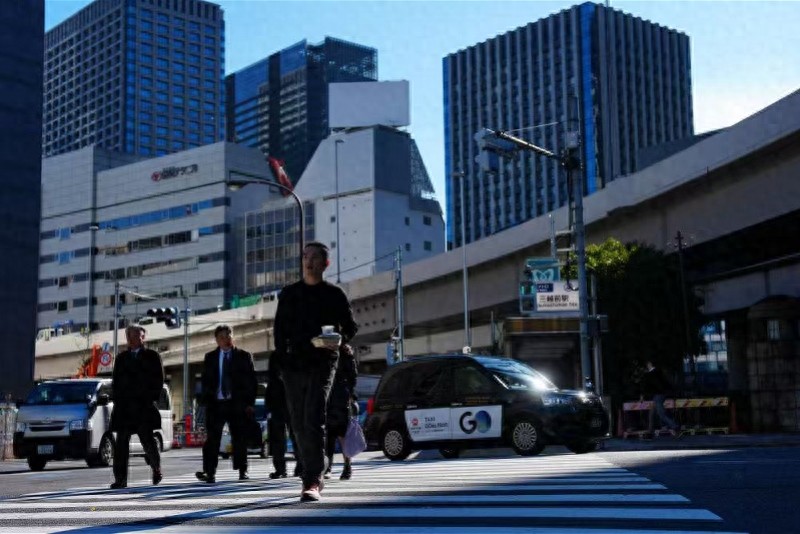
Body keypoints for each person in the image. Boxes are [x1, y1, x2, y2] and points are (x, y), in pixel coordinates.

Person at [274, 242, 358, 502]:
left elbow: (350, 327)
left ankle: (312, 479)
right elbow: (279, 333)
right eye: (305, 256)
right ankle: (315, 465)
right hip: (293, 365)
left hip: (323, 362)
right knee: (298, 422)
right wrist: (282, 363)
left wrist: (339, 340)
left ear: (325, 263)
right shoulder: (289, 294)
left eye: (314, 257)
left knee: (313, 416)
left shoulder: (334, 294)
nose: (308, 261)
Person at [195, 325, 257, 483]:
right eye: (222, 337)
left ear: (232, 337)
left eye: (228, 336)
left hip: (237, 403)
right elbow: (205, 381)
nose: (226, 339)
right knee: (212, 439)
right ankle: (210, 472)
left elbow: (252, 381)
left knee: (239, 438)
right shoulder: (210, 357)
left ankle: (242, 470)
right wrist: (206, 400)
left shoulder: (244, 356)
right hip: (216, 404)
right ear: (217, 340)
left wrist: (249, 403)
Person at [109, 325, 164, 489]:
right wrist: (117, 399)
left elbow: (158, 380)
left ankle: (156, 468)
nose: (133, 339)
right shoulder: (121, 358)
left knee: (148, 441)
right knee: (121, 444)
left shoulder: (152, 356)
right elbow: (116, 382)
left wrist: (150, 398)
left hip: (143, 407)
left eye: (136, 336)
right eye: (130, 336)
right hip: (124, 408)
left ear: (143, 337)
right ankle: (120, 479)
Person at [264, 349, 301, 479]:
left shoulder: (297, 354)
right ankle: (280, 469)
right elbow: (271, 378)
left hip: (293, 403)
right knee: (278, 439)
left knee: (296, 437)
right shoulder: (276, 355)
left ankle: (300, 466)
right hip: (277, 402)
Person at [324, 343, 357, 481]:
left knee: (341, 434)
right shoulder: (328, 352)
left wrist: (348, 393)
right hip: (330, 397)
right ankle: (331, 467)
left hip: (339, 398)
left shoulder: (344, 353)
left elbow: (353, 377)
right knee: (330, 435)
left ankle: (345, 466)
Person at [640, 360, 680, 436]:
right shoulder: (658, 371)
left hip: (658, 395)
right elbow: (666, 382)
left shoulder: (651, 374)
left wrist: (643, 395)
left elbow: (647, 386)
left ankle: (675, 426)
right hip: (660, 394)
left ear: (649, 364)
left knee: (661, 414)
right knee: (652, 413)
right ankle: (650, 431)